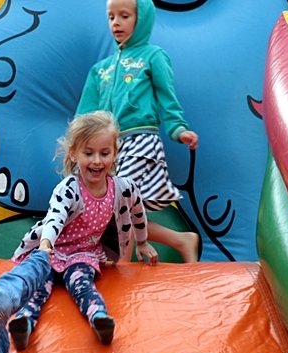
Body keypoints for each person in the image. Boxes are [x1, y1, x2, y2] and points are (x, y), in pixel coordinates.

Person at [7, 111, 155, 349]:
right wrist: (45, 246)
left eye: (104, 153)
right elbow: (55, 217)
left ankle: (99, 318)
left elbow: (138, 211)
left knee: (82, 284)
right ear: (74, 154)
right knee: (39, 286)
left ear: (115, 153)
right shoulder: (70, 188)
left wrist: (143, 241)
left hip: (82, 255)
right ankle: (24, 321)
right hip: (51, 251)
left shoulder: (122, 188)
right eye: (88, 153)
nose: (97, 161)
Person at [77, 0, 200, 263]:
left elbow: (167, 98)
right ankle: (181, 240)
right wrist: (78, 144)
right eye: (111, 17)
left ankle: (124, 264)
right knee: (119, 209)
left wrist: (178, 129)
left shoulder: (152, 56)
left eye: (124, 16)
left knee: (120, 201)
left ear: (141, 18)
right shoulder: (101, 69)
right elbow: (85, 115)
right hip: (110, 148)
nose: (116, 23)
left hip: (141, 140)